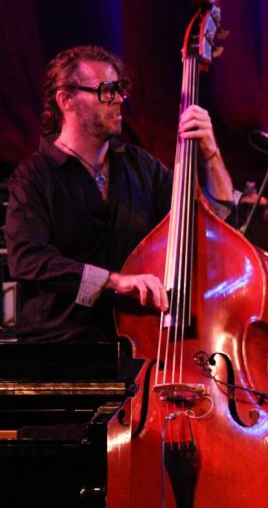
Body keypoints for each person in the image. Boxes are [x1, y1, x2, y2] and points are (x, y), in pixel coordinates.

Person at [4, 45, 235, 342]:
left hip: (140, 345)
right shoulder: (33, 177)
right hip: (62, 351)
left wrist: (211, 154)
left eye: (119, 89)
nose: (117, 100)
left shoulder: (141, 166)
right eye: (105, 90)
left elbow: (215, 227)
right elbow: (27, 260)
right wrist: (114, 282)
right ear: (66, 100)